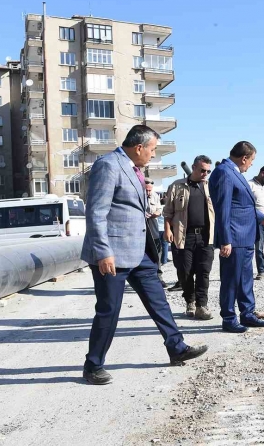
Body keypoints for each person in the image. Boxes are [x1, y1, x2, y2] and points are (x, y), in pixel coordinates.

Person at [80, 125, 207, 385]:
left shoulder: (134, 169)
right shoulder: (109, 165)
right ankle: (93, 366)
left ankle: (176, 347)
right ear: (139, 147)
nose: (153, 154)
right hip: (112, 255)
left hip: (138, 253)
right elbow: (95, 213)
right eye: (152, 149)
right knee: (109, 310)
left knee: (158, 301)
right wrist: (103, 253)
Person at [210, 141, 264, 333]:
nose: (252, 164)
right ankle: (229, 318)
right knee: (231, 280)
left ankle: (247, 313)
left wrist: (261, 217)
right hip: (234, 238)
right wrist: (225, 239)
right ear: (244, 158)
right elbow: (223, 208)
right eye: (252, 160)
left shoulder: (235, 173)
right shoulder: (224, 172)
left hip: (245, 237)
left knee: (245, 279)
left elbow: (243, 205)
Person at [163, 155, 216, 320]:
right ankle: (190, 301)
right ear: (193, 168)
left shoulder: (210, 187)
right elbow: (168, 212)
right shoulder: (177, 186)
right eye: (202, 170)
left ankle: (202, 305)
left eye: (208, 171)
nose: (205, 174)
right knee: (184, 271)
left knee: (204, 272)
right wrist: (167, 230)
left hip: (206, 237)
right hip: (183, 236)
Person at [145, 180, 168, 288]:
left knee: (157, 255)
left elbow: (159, 209)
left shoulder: (155, 196)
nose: (148, 192)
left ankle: (159, 278)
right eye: (146, 190)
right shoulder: (137, 196)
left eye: (150, 190)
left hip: (153, 232)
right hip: (140, 233)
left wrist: (157, 213)